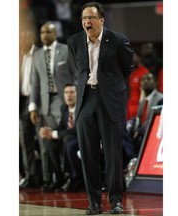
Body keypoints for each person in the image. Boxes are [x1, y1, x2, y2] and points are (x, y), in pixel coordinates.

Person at [67, 2, 134, 214]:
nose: (87, 21)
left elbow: (127, 67)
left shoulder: (117, 40)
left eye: (92, 18)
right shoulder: (74, 41)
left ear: (101, 20)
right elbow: (76, 69)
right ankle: (94, 203)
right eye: (84, 18)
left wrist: (111, 86)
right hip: (86, 100)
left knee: (113, 154)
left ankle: (115, 201)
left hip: (109, 100)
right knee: (88, 154)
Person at [28, 21, 74, 190]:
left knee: (63, 140)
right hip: (44, 103)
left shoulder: (66, 50)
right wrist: (33, 106)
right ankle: (53, 177)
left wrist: (73, 98)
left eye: (48, 32)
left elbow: (75, 75)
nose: (44, 35)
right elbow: (35, 83)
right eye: (42, 32)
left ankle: (69, 176)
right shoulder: (37, 55)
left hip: (63, 101)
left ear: (55, 34)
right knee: (46, 143)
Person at [39, 83, 84, 192]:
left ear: (77, 95)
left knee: (67, 140)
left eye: (72, 92)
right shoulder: (64, 108)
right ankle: (59, 176)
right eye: (66, 93)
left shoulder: (81, 108)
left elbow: (76, 131)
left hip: (80, 140)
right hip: (67, 140)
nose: (69, 95)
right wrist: (50, 132)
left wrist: (55, 134)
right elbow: (61, 127)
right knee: (50, 143)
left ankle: (73, 176)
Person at [19, 27, 40, 188]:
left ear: (30, 37)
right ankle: (30, 175)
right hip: (22, 102)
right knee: (25, 140)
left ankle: (50, 175)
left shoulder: (39, 54)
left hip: (39, 101)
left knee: (43, 140)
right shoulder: (18, 56)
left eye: (22, 38)